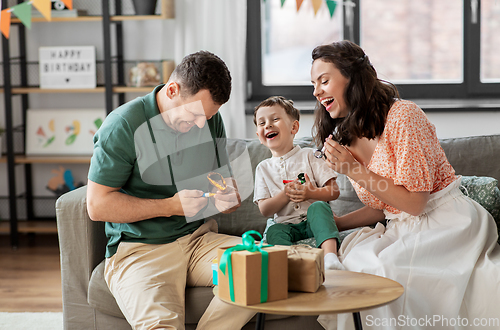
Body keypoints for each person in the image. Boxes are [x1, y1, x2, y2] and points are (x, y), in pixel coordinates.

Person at [311, 40, 500, 330]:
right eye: (313, 84)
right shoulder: (345, 135)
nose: (316, 91)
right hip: (403, 227)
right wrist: (337, 222)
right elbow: (384, 207)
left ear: (353, 78)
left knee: (383, 272)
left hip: (445, 221)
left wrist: (352, 169)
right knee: (356, 270)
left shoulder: (403, 116)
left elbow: (415, 203)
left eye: (324, 80)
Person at [86, 51, 256, 329]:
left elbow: (220, 180)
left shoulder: (208, 120)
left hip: (198, 240)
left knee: (265, 267)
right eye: (194, 115)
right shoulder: (123, 125)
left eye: (209, 116)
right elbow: (97, 205)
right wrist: (171, 206)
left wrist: (228, 196)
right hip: (140, 250)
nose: (202, 125)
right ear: (172, 89)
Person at [253, 96, 344, 270]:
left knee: (319, 207)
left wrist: (311, 193)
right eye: (261, 123)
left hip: (313, 222)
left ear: (294, 127)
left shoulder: (310, 155)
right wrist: (285, 194)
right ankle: (291, 263)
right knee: (273, 231)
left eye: (275, 119)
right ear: (259, 135)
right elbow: (265, 210)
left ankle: (330, 257)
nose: (268, 125)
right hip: (286, 225)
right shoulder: (262, 168)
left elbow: (334, 191)